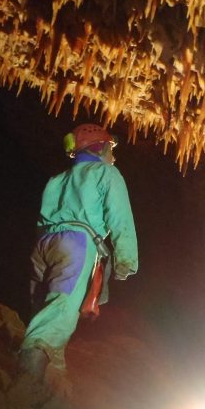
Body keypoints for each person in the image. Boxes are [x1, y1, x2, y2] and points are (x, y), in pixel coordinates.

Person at [19, 123, 138, 382]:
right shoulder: (106, 173)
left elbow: (42, 218)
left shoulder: (57, 179)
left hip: (44, 244)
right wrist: (126, 260)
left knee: (43, 308)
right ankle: (26, 380)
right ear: (101, 147)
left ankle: (52, 382)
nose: (113, 155)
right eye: (110, 148)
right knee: (60, 311)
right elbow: (120, 218)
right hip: (77, 242)